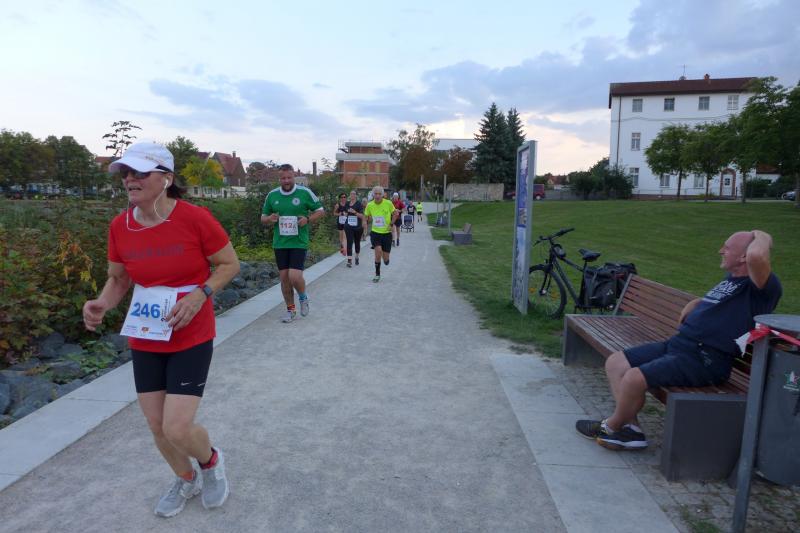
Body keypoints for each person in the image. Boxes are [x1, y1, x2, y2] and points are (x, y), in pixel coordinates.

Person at [82, 142, 239, 517]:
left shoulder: (195, 218)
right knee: (156, 425)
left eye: (140, 172)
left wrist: (200, 295)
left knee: (177, 427)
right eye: (126, 173)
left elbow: (229, 264)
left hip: (190, 333)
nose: (129, 180)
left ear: (166, 179)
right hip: (147, 334)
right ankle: (185, 478)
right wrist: (102, 303)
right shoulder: (120, 226)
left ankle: (211, 462)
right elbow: (119, 279)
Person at [576, 231, 781, 450]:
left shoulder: (762, 288)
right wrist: (697, 303)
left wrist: (761, 235)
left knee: (633, 378)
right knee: (616, 363)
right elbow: (725, 305)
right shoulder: (733, 279)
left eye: (727, 248)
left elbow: (757, 256)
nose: (721, 251)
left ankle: (610, 426)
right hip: (680, 345)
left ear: (744, 257)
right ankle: (631, 430)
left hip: (706, 358)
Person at [260, 164, 324, 322]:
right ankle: (290, 310)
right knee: (284, 278)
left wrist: (307, 219)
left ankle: (303, 297)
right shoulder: (272, 195)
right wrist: (269, 219)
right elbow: (263, 218)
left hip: (298, 242)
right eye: (283, 178)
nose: (286, 181)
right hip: (280, 243)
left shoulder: (304, 193)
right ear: (279, 179)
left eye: (289, 177)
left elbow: (320, 211)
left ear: (294, 176)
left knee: (294, 276)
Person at [364, 185, 398, 282]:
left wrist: (391, 224)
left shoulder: (388, 203)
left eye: (379, 194)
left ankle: (385, 258)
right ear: (373, 194)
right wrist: (365, 222)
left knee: (386, 260)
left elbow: (396, 214)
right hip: (375, 233)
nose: (377, 196)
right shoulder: (370, 205)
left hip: (386, 234)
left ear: (382, 195)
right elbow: (365, 216)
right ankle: (377, 274)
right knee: (378, 251)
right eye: (376, 194)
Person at [344, 189, 365, 267]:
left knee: (357, 242)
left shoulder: (359, 204)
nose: (352, 195)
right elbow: (345, 213)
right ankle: (349, 260)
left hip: (357, 227)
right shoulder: (347, 203)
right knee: (349, 242)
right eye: (351, 194)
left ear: (356, 195)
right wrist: (345, 214)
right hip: (348, 226)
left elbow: (362, 216)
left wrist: (354, 212)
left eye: (353, 194)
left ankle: (356, 256)